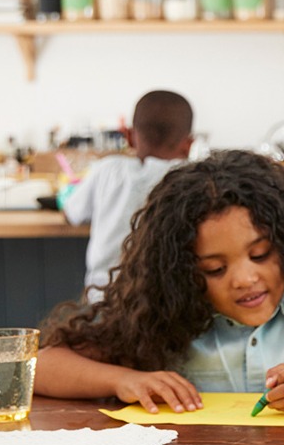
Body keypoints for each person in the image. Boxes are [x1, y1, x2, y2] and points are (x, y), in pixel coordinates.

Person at [37, 150, 284, 414]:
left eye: (260, 255)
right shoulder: (161, 315)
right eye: (214, 268)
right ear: (181, 272)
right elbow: (40, 366)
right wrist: (123, 379)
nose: (245, 279)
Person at [63, 90, 194, 298]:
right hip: (167, 303)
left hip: (102, 299)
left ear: (129, 137)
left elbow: (72, 212)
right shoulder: (192, 178)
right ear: (188, 144)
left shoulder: (106, 169)